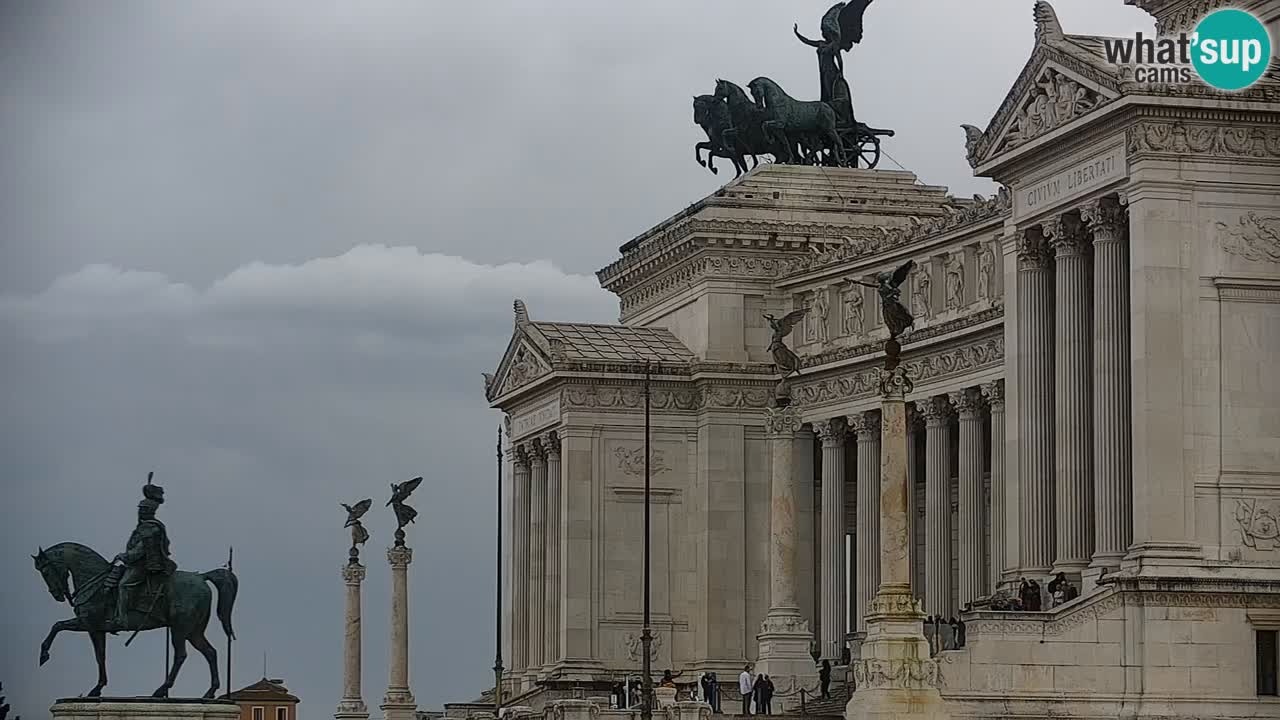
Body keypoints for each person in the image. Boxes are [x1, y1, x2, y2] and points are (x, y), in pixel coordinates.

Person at [104, 480, 176, 632]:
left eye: (143, 509)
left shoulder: (150, 528)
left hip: (144, 565)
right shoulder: (145, 526)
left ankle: (121, 619)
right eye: (140, 509)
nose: (140, 512)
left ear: (148, 511)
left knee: (124, 585)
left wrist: (123, 556)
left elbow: (139, 551)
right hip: (135, 563)